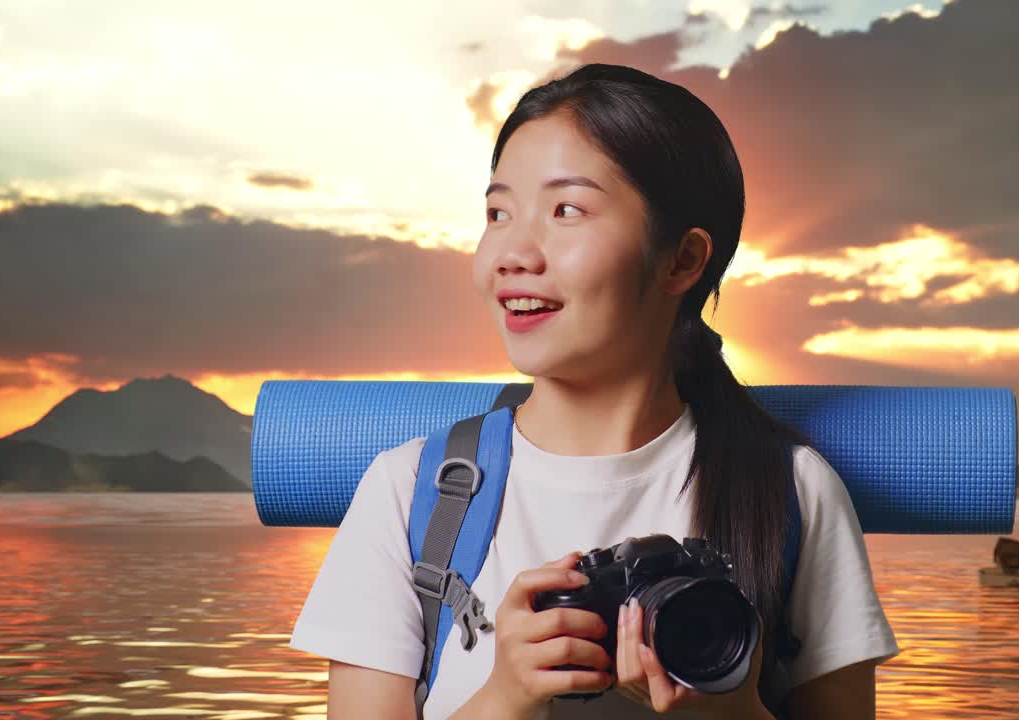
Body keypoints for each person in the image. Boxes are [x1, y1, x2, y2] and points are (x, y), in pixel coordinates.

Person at [289, 63, 899, 719]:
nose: (511, 252)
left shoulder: (793, 493)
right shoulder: (411, 495)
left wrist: (728, 711)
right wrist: (504, 698)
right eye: (498, 212)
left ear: (683, 260)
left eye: (567, 210)